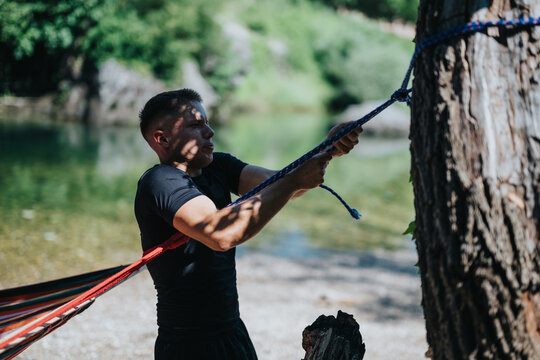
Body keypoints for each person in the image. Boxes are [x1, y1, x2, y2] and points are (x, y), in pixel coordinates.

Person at [134, 88, 362, 360]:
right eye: (196, 125)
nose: (210, 132)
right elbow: (221, 234)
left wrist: (327, 150)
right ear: (163, 139)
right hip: (187, 341)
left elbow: (285, 186)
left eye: (207, 122)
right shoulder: (160, 181)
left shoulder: (219, 166)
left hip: (232, 331)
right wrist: (294, 181)